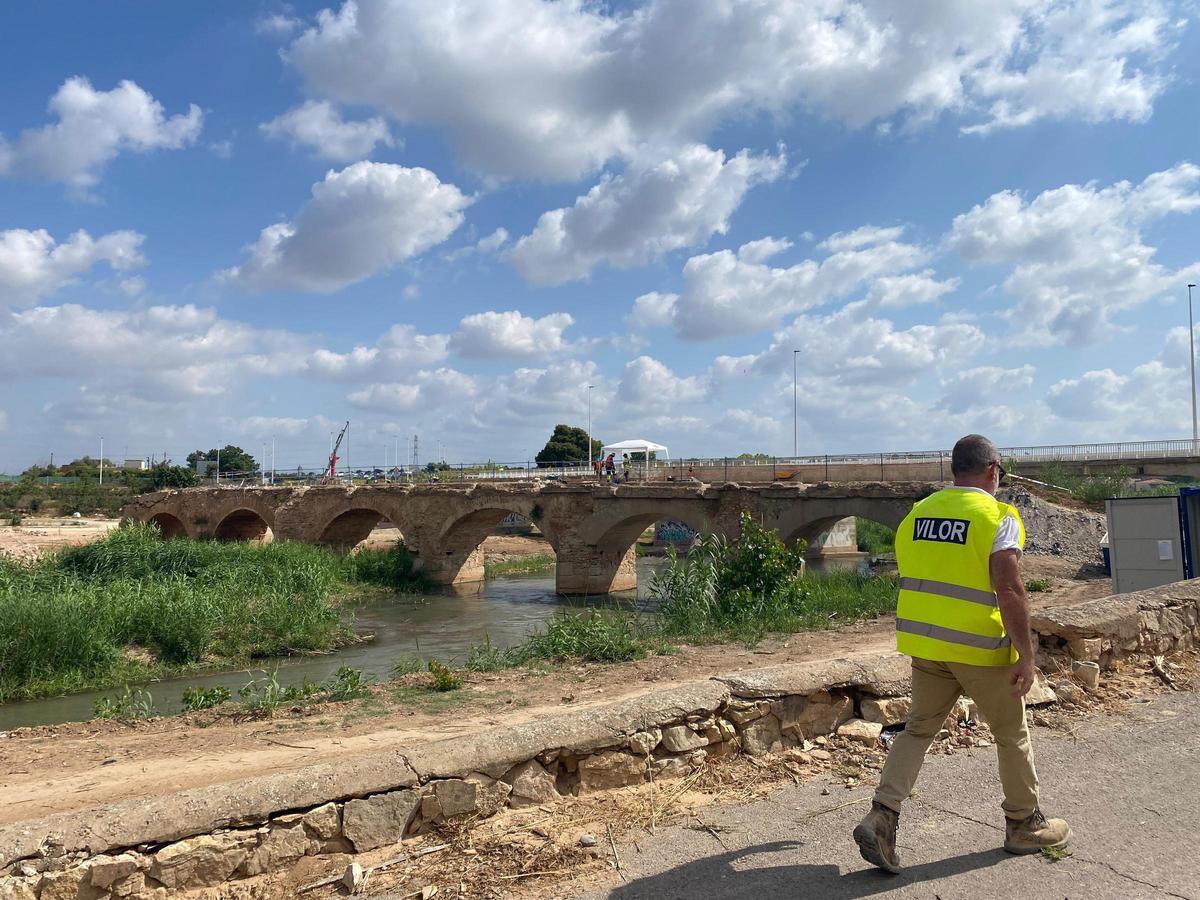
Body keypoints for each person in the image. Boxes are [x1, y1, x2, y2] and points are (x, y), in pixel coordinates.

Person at [853, 434, 1071, 874]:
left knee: (918, 730)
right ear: (992, 470)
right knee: (1011, 734)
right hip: (979, 648)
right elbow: (1008, 587)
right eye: (1001, 472)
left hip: (927, 645)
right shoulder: (998, 516)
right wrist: (1026, 655)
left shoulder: (918, 514)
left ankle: (882, 817)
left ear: (956, 470)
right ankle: (1023, 825)